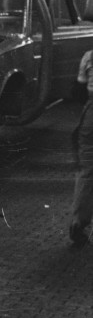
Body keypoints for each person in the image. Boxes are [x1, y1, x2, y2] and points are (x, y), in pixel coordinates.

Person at [70, 49, 93, 246]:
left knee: (86, 172)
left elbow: (78, 91)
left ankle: (78, 223)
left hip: (90, 115)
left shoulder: (89, 56)